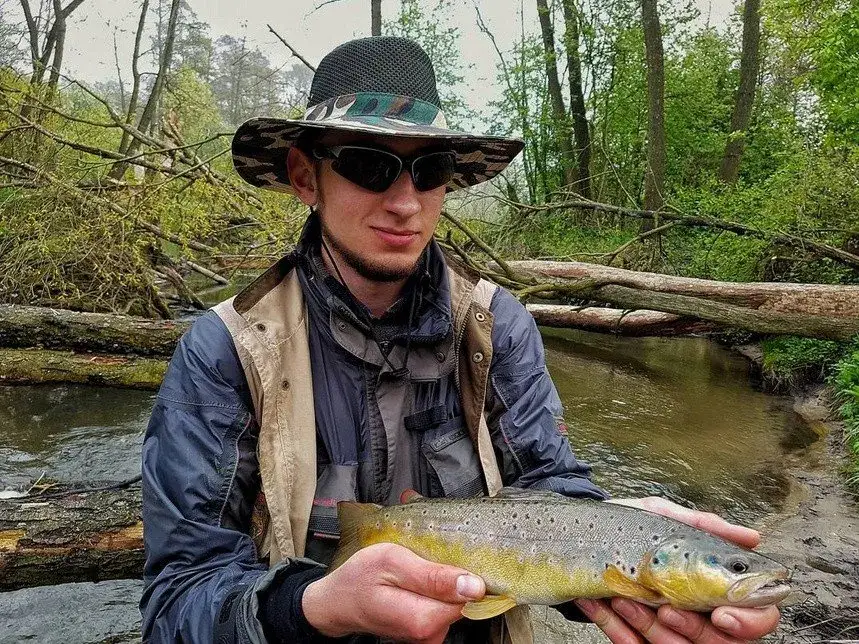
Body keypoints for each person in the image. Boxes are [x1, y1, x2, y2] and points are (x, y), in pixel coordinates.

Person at [140, 36, 781, 644]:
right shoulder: (223, 351)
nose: (406, 201)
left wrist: (615, 540)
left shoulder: (498, 325)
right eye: (370, 166)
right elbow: (177, 601)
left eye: (431, 169)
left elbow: (550, 484)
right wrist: (312, 608)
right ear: (307, 177)